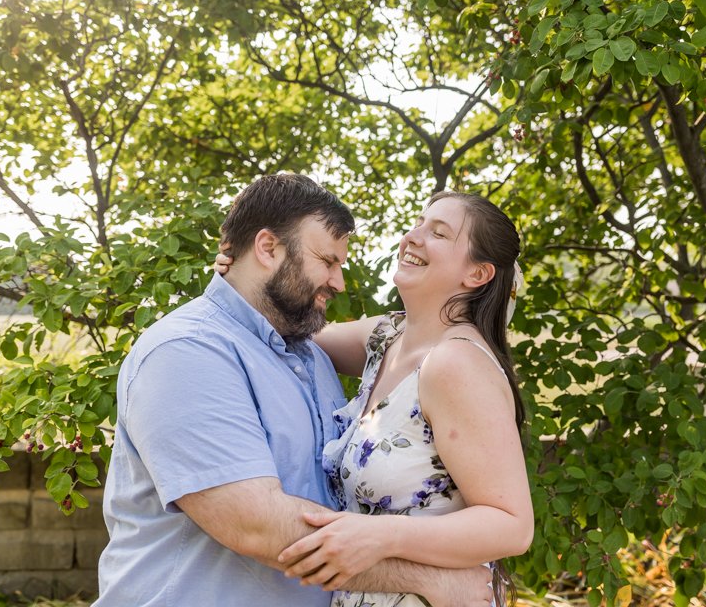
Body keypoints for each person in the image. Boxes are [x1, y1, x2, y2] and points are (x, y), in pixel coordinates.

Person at [94, 174, 492, 607]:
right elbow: (259, 527)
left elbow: (423, 337)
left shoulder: (309, 356)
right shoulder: (187, 353)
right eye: (327, 261)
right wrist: (427, 581)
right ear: (267, 248)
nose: (338, 282)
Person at [216, 191, 533, 606]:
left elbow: (512, 527)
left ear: (476, 275)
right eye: (419, 223)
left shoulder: (456, 364)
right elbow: (283, 328)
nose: (413, 237)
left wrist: (381, 536)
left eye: (438, 233)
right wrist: (245, 281)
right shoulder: (387, 337)